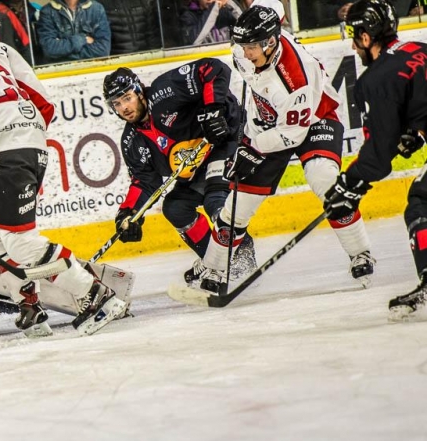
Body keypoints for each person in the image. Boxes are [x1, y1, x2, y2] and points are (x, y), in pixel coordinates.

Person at [0, 22, 127, 337]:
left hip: (1, 153)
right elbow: (44, 102)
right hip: (30, 145)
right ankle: (29, 305)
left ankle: (97, 296)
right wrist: (22, 136)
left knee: (20, 241)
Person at [196, 5, 375, 295]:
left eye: (251, 46)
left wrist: (251, 147)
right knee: (238, 199)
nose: (245, 52)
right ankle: (215, 267)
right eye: (242, 45)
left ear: (270, 42)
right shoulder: (248, 50)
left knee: (324, 178)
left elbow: (293, 135)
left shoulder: (294, 79)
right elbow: (273, 6)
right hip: (268, 125)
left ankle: (360, 253)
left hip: (315, 118)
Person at [103, 64, 256, 285]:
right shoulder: (132, 141)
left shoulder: (164, 90)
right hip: (196, 167)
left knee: (216, 200)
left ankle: (241, 256)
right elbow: (145, 180)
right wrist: (128, 213)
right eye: (116, 103)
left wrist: (213, 110)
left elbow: (213, 69)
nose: (124, 107)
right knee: (175, 207)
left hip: (226, 140)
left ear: (139, 91)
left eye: (127, 98)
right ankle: (214, 261)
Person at [322, 0, 427, 319]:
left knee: (421, 203)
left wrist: (347, 185)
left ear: (367, 37)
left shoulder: (376, 78)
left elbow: (379, 157)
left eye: (355, 36)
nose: (353, 45)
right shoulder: (419, 48)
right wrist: (416, 131)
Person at [36, 0, 111, 64]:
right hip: (60, 72)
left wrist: (62, 52)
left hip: (92, 69)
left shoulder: (96, 9)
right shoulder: (47, 11)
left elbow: (103, 50)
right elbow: (49, 49)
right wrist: (82, 39)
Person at [97, 0, 163, 55]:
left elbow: (152, 34)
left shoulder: (143, 2)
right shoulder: (99, 5)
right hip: (116, 60)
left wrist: (154, 54)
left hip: (147, 58)